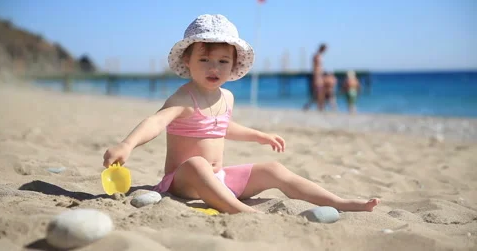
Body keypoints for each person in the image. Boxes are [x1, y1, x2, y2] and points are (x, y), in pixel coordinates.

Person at [102, 14, 379, 214]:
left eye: (223, 61)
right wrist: (127, 144)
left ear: (234, 64)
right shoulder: (183, 97)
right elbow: (156, 121)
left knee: (273, 169)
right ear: (187, 60)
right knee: (198, 163)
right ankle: (242, 212)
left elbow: (223, 128)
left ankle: (339, 202)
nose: (214, 68)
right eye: (204, 60)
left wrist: (259, 135)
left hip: (220, 179)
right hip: (184, 181)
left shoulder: (227, 96)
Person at [303, 43, 327, 111]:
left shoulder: (318, 56)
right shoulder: (316, 56)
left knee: (319, 92)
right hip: (317, 76)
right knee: (319, 92)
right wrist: (316, 77)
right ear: (322, 49)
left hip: (319, 75)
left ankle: (309, 106)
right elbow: (315, 67)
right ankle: (319, 107)